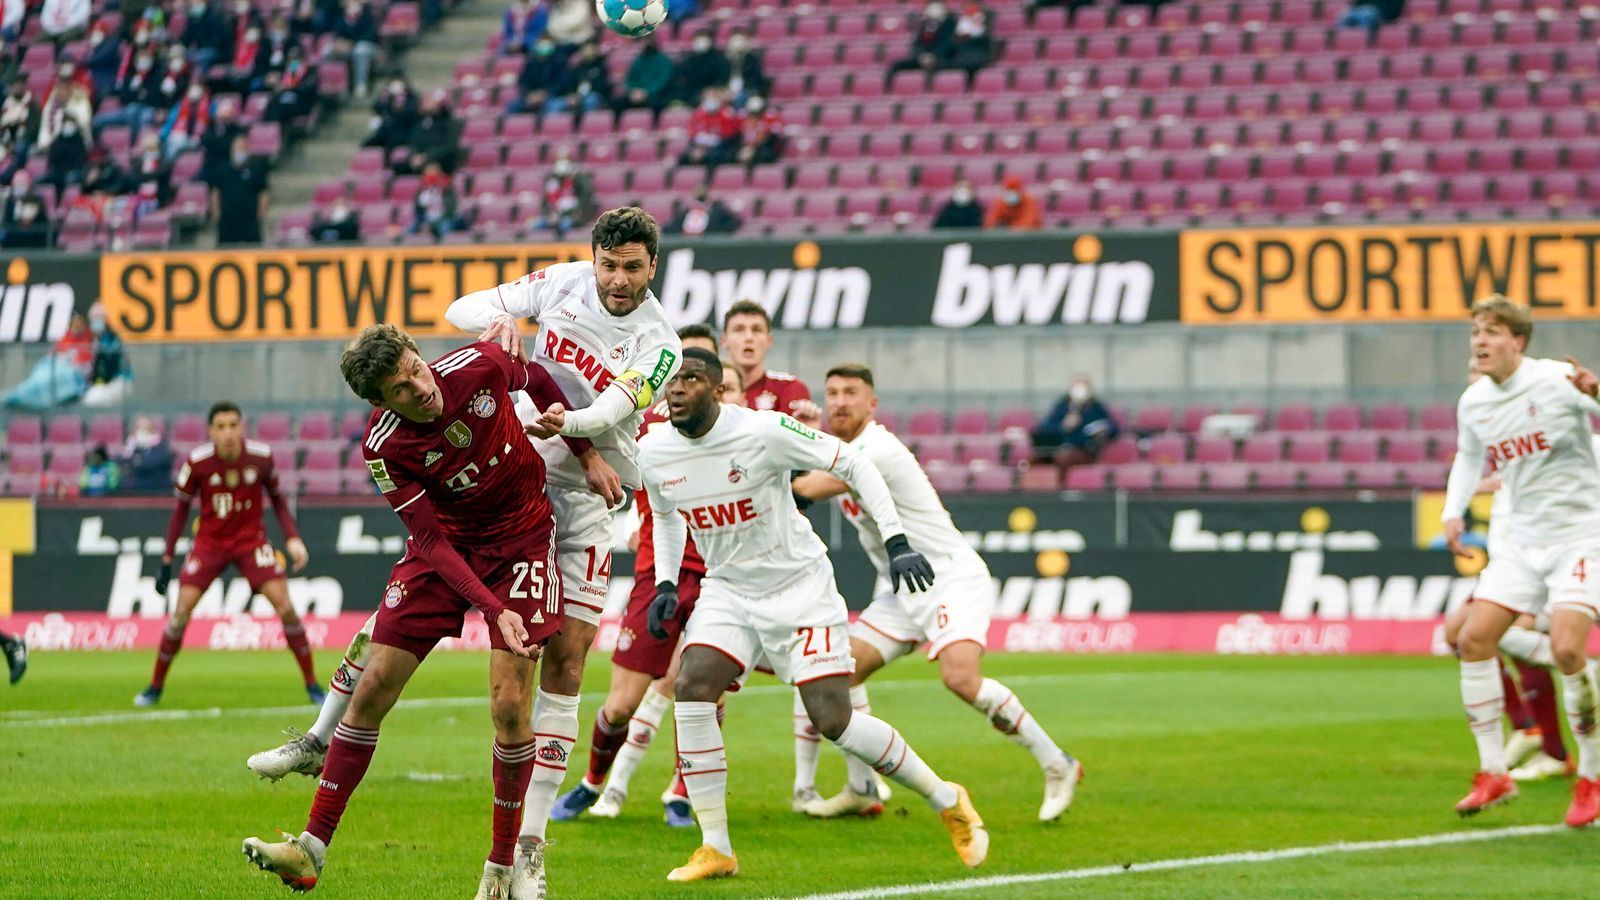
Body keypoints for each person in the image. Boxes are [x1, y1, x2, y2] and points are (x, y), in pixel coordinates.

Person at [250, 208, 679, 899]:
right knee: (380, 655)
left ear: (652, 266)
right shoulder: (557, 289)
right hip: (489, 500)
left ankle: (521, 855)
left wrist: (583, 443)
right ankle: (316, 775)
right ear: (593, 259)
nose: (619, 278)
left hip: (574, 499)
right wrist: (502, 323)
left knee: (553, 674)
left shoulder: (662, 343)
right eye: (609, 263)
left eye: (633, 266)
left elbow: (594, 405)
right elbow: (469, 312)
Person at [241, 326, 587, 897]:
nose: (418, 389)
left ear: (419, 355)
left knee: (507, 705)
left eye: (415, 370)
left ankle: (503, 866)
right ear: (380, 402)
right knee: (373, 683)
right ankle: (310, 850)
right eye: (399, 389)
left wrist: (586, 453)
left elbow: (541, 379)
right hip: (445, 553)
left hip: (521, 541)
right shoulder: (383, 447)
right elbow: (429, 539)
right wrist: (490, 607)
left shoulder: (478, 366)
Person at [639, 349, 986, 882]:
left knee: (833, 721)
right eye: (672, 381)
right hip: (730, 589)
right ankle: (716, 848)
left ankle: (946, 797)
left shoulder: (764, 431)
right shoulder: (655, 449)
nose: (677, 389)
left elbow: (855, 464)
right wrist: (666, 582)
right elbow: (665, 515)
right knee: (692, 686)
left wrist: (896, 542)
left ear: (716, 389)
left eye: (691, 379)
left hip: (801, 587)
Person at [793, 364, 1081, 820]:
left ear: (872, 404)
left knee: (960, 679)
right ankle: (861, 787)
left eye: (852, 392)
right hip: (902, 589)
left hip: (947, 577)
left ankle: (1057, 763)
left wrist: (765, 453)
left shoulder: (876, 448)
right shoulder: (842, 449)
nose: (841, 401)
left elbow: (804, 488)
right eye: (833, 393)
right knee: (835, 679)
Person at [550, 324, 728, 827]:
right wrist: (630, 518)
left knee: (698, 688)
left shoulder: (740, 429)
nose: (685, 384)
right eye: (680, 372)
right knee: (621, 705)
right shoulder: (649, 429)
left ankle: (681, 793)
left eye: (701, 373)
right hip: (657, 573)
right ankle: (591, 782)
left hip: (721, 576)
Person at [1444, 295, 1600, 827]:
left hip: (1579, 536)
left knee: (1566, 648)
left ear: (1518, 341)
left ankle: (1591, 777)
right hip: (1521, 543)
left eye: (1490, 332)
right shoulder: (1475, 402)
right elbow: (1468, 456)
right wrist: (1452, 513)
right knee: (1471, 638)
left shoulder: (1559, 380)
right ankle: (1494, 772)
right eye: (1475, 333)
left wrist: (1597, 393)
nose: (1480, 342)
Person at [134, 402, 317, 707]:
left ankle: (312, 685)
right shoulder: (197, 462)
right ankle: (154, 687)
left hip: (252, 543)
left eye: (233, 425)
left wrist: (293, 538)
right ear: (211, 431)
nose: (228, 432)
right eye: (221, 427)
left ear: (242, 427)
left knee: (286, 609)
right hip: (209, 545)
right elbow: (180, 512)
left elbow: (279, 501)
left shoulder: (261, 457)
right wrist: (167, 559)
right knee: (179, 615)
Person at [721, 299, 820, 421]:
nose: (748, 337)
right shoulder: (711, 391)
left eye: (756, 329)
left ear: (769, 340)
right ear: (724, 341)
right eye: (739, 329)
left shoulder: (790, 388)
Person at [1031, 374, 1118, 467]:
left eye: (1083, 386)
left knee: (1063, 458)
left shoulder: (1096, 408)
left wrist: (1104, 432)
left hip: (1084, 450)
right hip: (1059, 448)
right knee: (1033, 459)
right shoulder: (1061, 407)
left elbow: (1113, 427)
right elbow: (1045, 428)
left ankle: (1063, 481)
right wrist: (1064, 426)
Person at [209, 135, 270, 245]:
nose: (239, 151)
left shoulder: (256, 169)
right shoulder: (222, 169)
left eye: (243, 148)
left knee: (253, 248)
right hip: (227, 219)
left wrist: (261, 213)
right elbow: (215, 193)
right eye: (237, 148)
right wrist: (216, 213)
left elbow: (263, 193)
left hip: (250, 219)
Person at [887, 1, 955, 82]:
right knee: (897, 64)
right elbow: (917, 44)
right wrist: (921, 56)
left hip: (941, 59)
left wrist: (934, 57)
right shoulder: (924, 24)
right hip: (922, 58)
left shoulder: (950, 23)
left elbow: (948, 44)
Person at [120, 415, 175, 493]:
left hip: (157, 491)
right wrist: (131, 449)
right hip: (135, 490)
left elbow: (149, 464)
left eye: (145, 429)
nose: (141, 432)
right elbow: (120, 461)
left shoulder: (162, 446)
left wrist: (138, 454)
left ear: (152, 430)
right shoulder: (130, 447)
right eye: (138, 429)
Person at [673, 30, 729, 107]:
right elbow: (684, 80)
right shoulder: (689, 60)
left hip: (711, 93)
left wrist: (712, 89)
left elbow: (721, 79)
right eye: (698, 39)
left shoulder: (719, 59)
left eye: (704, 39)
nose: (701, 42)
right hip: (691, 93)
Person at [621, 38, 674, 111]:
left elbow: (662, 80)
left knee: (657, 105)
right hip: (637, 93)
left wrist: (646, 92)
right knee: (618, 102)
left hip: (656, 94)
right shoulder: (638, 60)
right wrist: (633, 90)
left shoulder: (663, 61)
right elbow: (631, 78)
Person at [665, 186, 741, 236]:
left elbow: (736, 222)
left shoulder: (717, 210)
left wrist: (719, 234)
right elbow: (671, 228)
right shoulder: (686, 212)